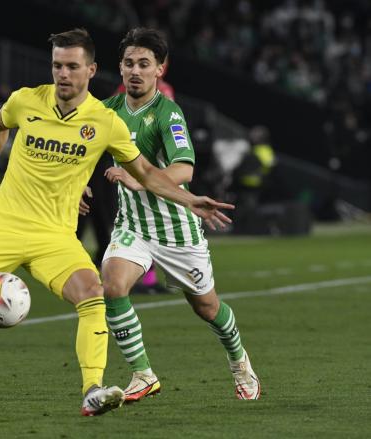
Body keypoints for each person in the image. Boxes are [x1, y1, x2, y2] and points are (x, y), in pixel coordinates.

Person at [0, 28, 233, 418]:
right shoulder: (25, 100)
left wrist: (190, 200)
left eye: (72, 66)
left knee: (94, 294)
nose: (63, 74)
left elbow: (147, 173)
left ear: (91, 69)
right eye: (57, 66)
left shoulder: (105, 121)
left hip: (55, 236)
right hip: (3, 225)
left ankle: (92, 390)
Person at [97, 27, 260, 401]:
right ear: (119, 69)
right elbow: (80, 148)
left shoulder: (168, 114)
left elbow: (184, 170)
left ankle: (239, 360)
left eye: (144, 64)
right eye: (128, 63)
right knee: (113, 285)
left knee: (207, 307)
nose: (135, 71)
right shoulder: (106, 111)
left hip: (176, 230)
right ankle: (143, 373)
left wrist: (141, 180)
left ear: (160, 70)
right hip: (133, 226)